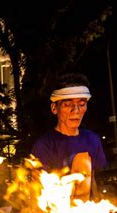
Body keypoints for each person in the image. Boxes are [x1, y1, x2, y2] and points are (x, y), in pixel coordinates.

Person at [31, 73, 106, 201]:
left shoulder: (93, 140)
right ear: (54, 108)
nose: (75, 110)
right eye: (67, 104)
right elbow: (37, 190)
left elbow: (92, 180)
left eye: (81, 104)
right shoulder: (44, 145)